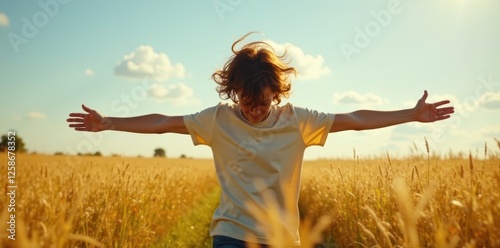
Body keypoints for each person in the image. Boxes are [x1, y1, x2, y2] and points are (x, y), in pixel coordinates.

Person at [67, 32, 454, 248]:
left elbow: (354, 119)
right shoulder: (216, 120)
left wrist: (410, 113)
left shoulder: (299, 121)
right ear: (233, 92)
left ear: (278, 94)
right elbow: (164, 122)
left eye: (263, 102)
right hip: (231, 235)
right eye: (246, 101)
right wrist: (109, 123)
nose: (254, 109)